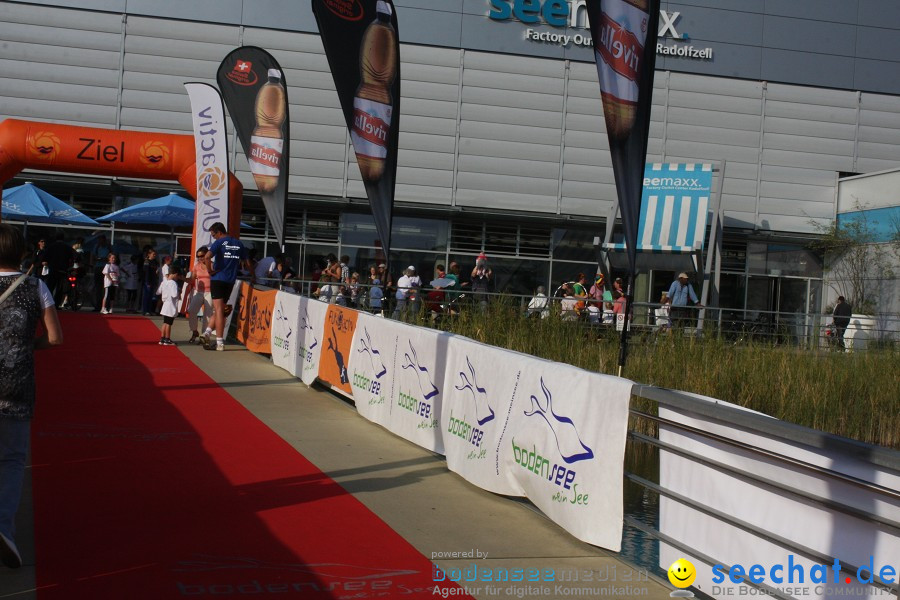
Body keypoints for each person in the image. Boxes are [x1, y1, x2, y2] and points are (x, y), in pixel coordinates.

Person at [0, 223, 63, 569]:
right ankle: (3, 528)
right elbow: (55, 338)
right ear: (22, 253)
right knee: (10, 461)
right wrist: (25, 346)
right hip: (16, 384)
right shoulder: (35, 286)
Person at [201, 222, 246, 351]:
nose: (213, 237)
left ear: (219, 232)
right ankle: (207, 333)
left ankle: (219, 341)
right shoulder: (238, 243)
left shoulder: (219, 242)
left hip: (218, 279)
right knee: (220, 309)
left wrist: (209, 271)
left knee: (219, 310)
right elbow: (246, 260)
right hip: (230, 280)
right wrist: (253, 275)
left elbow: (207, 256)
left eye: (213, 234)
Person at [185, 246, 212, 344]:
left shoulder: (212, 265)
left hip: (210, 292)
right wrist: (180, 277)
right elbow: (192, 280)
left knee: (207, 316)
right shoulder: (196, 266)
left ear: (207, 255)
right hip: (199, 292)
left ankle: (204, 336)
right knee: (191, 310)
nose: (200, 258)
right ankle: (194, 331)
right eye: (198, 256)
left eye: (202, 256)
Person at [43, 233, 74, 309]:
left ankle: (47, 304)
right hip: (62, 270)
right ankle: (56, 305)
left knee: (50, 287)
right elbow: (75, 256)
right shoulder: (67, 247)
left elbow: (44, 258)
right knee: (59, 288)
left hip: (52, 269)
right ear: (63, 239)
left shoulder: (51, 247)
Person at [158, 266, 180, 346]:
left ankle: (162, 338)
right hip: (171, 305)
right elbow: (174, 295)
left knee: (165, 322)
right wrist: (179, 294)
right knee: (169, 323)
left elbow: (158, 292)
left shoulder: (164, 282)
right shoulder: (173, 283)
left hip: (165, 304)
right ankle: (167, 338)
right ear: (175, 274)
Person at [91, 235, 112, 311]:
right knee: (98, 289)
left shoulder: (109, 247)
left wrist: (106, 259)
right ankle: (98, 306)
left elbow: (112, 256)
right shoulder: (96, 247)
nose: (101, 242)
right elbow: (93, 256)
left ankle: (107, 306)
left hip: (106, 267)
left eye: (102, 240)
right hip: (98, 267)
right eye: (100, 240)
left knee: (106, 287)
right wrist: (94, 263)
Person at [141, 248, 159, 316]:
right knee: (146, 296)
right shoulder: (147, 262)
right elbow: (146, 273)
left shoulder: (154, 262)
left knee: (151, 296)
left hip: (153, 281)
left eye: (155, 254)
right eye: (153, 254)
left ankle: (149, 310)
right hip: (147, 281)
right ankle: (145, 310)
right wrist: (147, 282)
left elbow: (155, 271)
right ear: (149, 254)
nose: (154, 255)